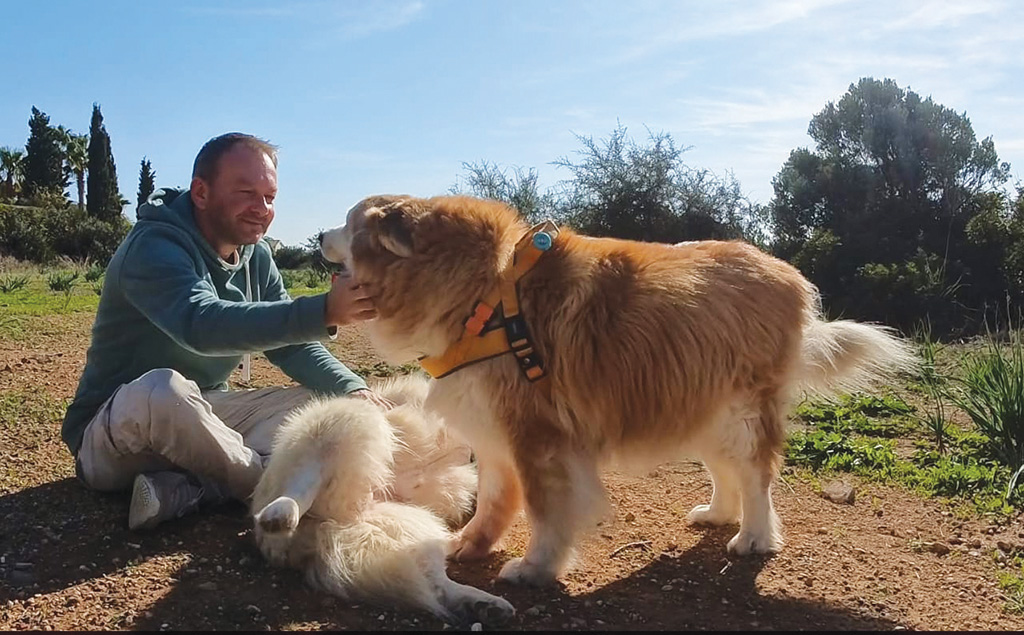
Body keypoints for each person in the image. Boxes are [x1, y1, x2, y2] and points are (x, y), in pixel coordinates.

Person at [62, 132, 392, 531]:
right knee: (163, 389)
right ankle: (277, 489)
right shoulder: (153, 248)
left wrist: (352, 388)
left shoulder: (257, 257)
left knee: (326, 406)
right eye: (246, 193)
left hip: (204, 415)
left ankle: (196, 489)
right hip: (117, 430)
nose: (262, 209)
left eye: (270, 197)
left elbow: (292, 347)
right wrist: (323, 310)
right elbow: (199, 323)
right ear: (201, 192)